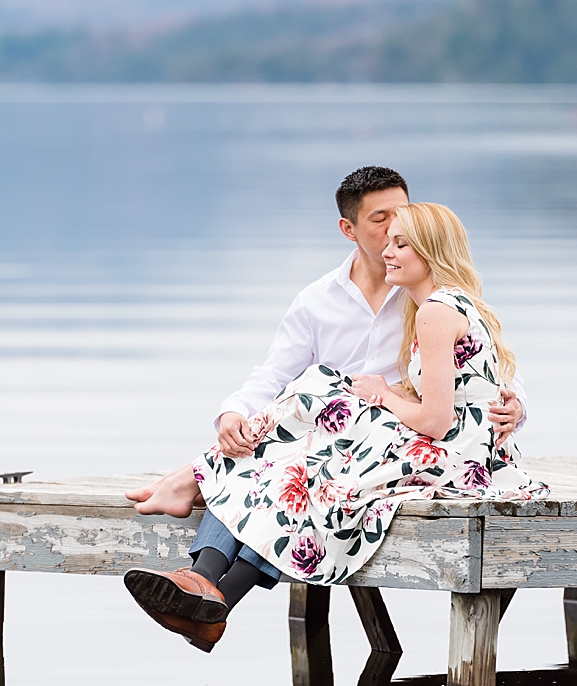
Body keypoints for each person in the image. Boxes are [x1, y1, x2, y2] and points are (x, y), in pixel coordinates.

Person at [123, 171, 534, 651]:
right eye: (382, 222)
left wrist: (515, 405)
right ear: (349, 229)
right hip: (363, 434)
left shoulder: (429, 303)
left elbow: (484, 384)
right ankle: (207, 590)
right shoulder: (325, 300)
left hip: (414, 441)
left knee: (304, 443)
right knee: (286, 445)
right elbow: (273, 375)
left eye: (402, 229)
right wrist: (233, 414)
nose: (391, 238)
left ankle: (195, 494)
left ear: (426, 243)